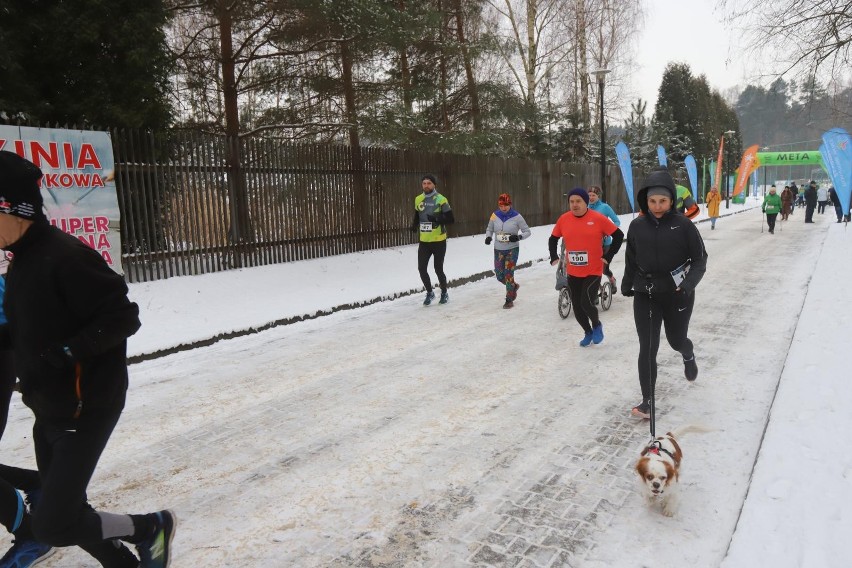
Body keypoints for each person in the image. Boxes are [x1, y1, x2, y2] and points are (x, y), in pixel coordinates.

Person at [0, 151, 176, 568]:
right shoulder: (21, 262)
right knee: (65, 511)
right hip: (50, 407)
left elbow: (122, 317)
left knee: (53, 525)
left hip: (87, 407)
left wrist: (65, 354)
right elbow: (30, 328)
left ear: (12, 209)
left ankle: (148, 527)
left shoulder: (65, 257)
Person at [620, 168, 708, 419]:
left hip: (677, 293)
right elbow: (631, 259)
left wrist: (687, 285)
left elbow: (700, 260)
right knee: (647, 347)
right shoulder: (637, 226)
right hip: (646, 293)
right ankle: (647, 401)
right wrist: (627, 283)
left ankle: (688, 354)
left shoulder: (684, 226)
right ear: (645, 201)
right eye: (652, 201)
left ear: (671, 201)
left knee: (676, 340)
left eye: (662, 201)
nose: (657, 206)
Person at [548, 188, 624, 346]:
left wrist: (608, 256)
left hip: (593, 270)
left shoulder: (598, 218)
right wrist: (554, 256)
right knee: (576, 305)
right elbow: (553, 238)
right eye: (571, 201)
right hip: (574, 271)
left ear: (586, 202)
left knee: (586, 301)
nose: (574, 204)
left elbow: (618, 235)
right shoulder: (564, 219)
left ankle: (596, 325)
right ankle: (587, 332)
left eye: (578, 201)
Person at [411, 174, 454, 306]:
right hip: (424, 241)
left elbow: (451, 219)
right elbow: (417, 215)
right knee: (421, 268)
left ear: (434, 185)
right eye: (424, 183)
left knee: (438, 268)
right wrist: (414, 225)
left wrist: (436, 219)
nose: (426, 186)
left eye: (429, 183)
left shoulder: (441, 199)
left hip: (439, 240)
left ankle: (444, 292)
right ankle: (430, 292)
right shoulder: (418, 199)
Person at [484, 193, 531, 309]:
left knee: (508, 274)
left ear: (510, 204)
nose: (503, 208)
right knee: (500, 275)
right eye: (501, 206)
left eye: (505, 205)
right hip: (498, 249)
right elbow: (489, 228)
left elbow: (527, 231)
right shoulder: (495, 215)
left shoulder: (517, 216)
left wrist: (519, 237)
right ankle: (513, 286)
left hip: (512, 249)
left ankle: (509, 299)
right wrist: (488, 236)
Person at [586, 185, 620, 287]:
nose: (591, 197)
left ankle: (612, 279)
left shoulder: (605, 207)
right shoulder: (585, 207)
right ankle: (595, 290)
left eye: (594, 195)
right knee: (591, 270)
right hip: (589, 244)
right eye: (589, 195)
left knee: (603, 269)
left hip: (605, 244)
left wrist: (607, 232)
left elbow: (617, 221)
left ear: (598, 196)